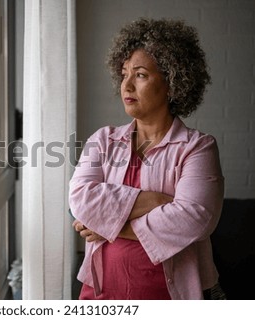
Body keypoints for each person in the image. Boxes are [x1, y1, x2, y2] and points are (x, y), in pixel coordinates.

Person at [69, 18, 225, 300]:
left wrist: (108, 227)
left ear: (172, 83)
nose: (126, 85)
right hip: (100, 296)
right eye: (124, 73)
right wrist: (155, 200)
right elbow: (81, 199)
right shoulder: (102, 140)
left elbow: (195, 219)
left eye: (140, 75)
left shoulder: (198, 147)